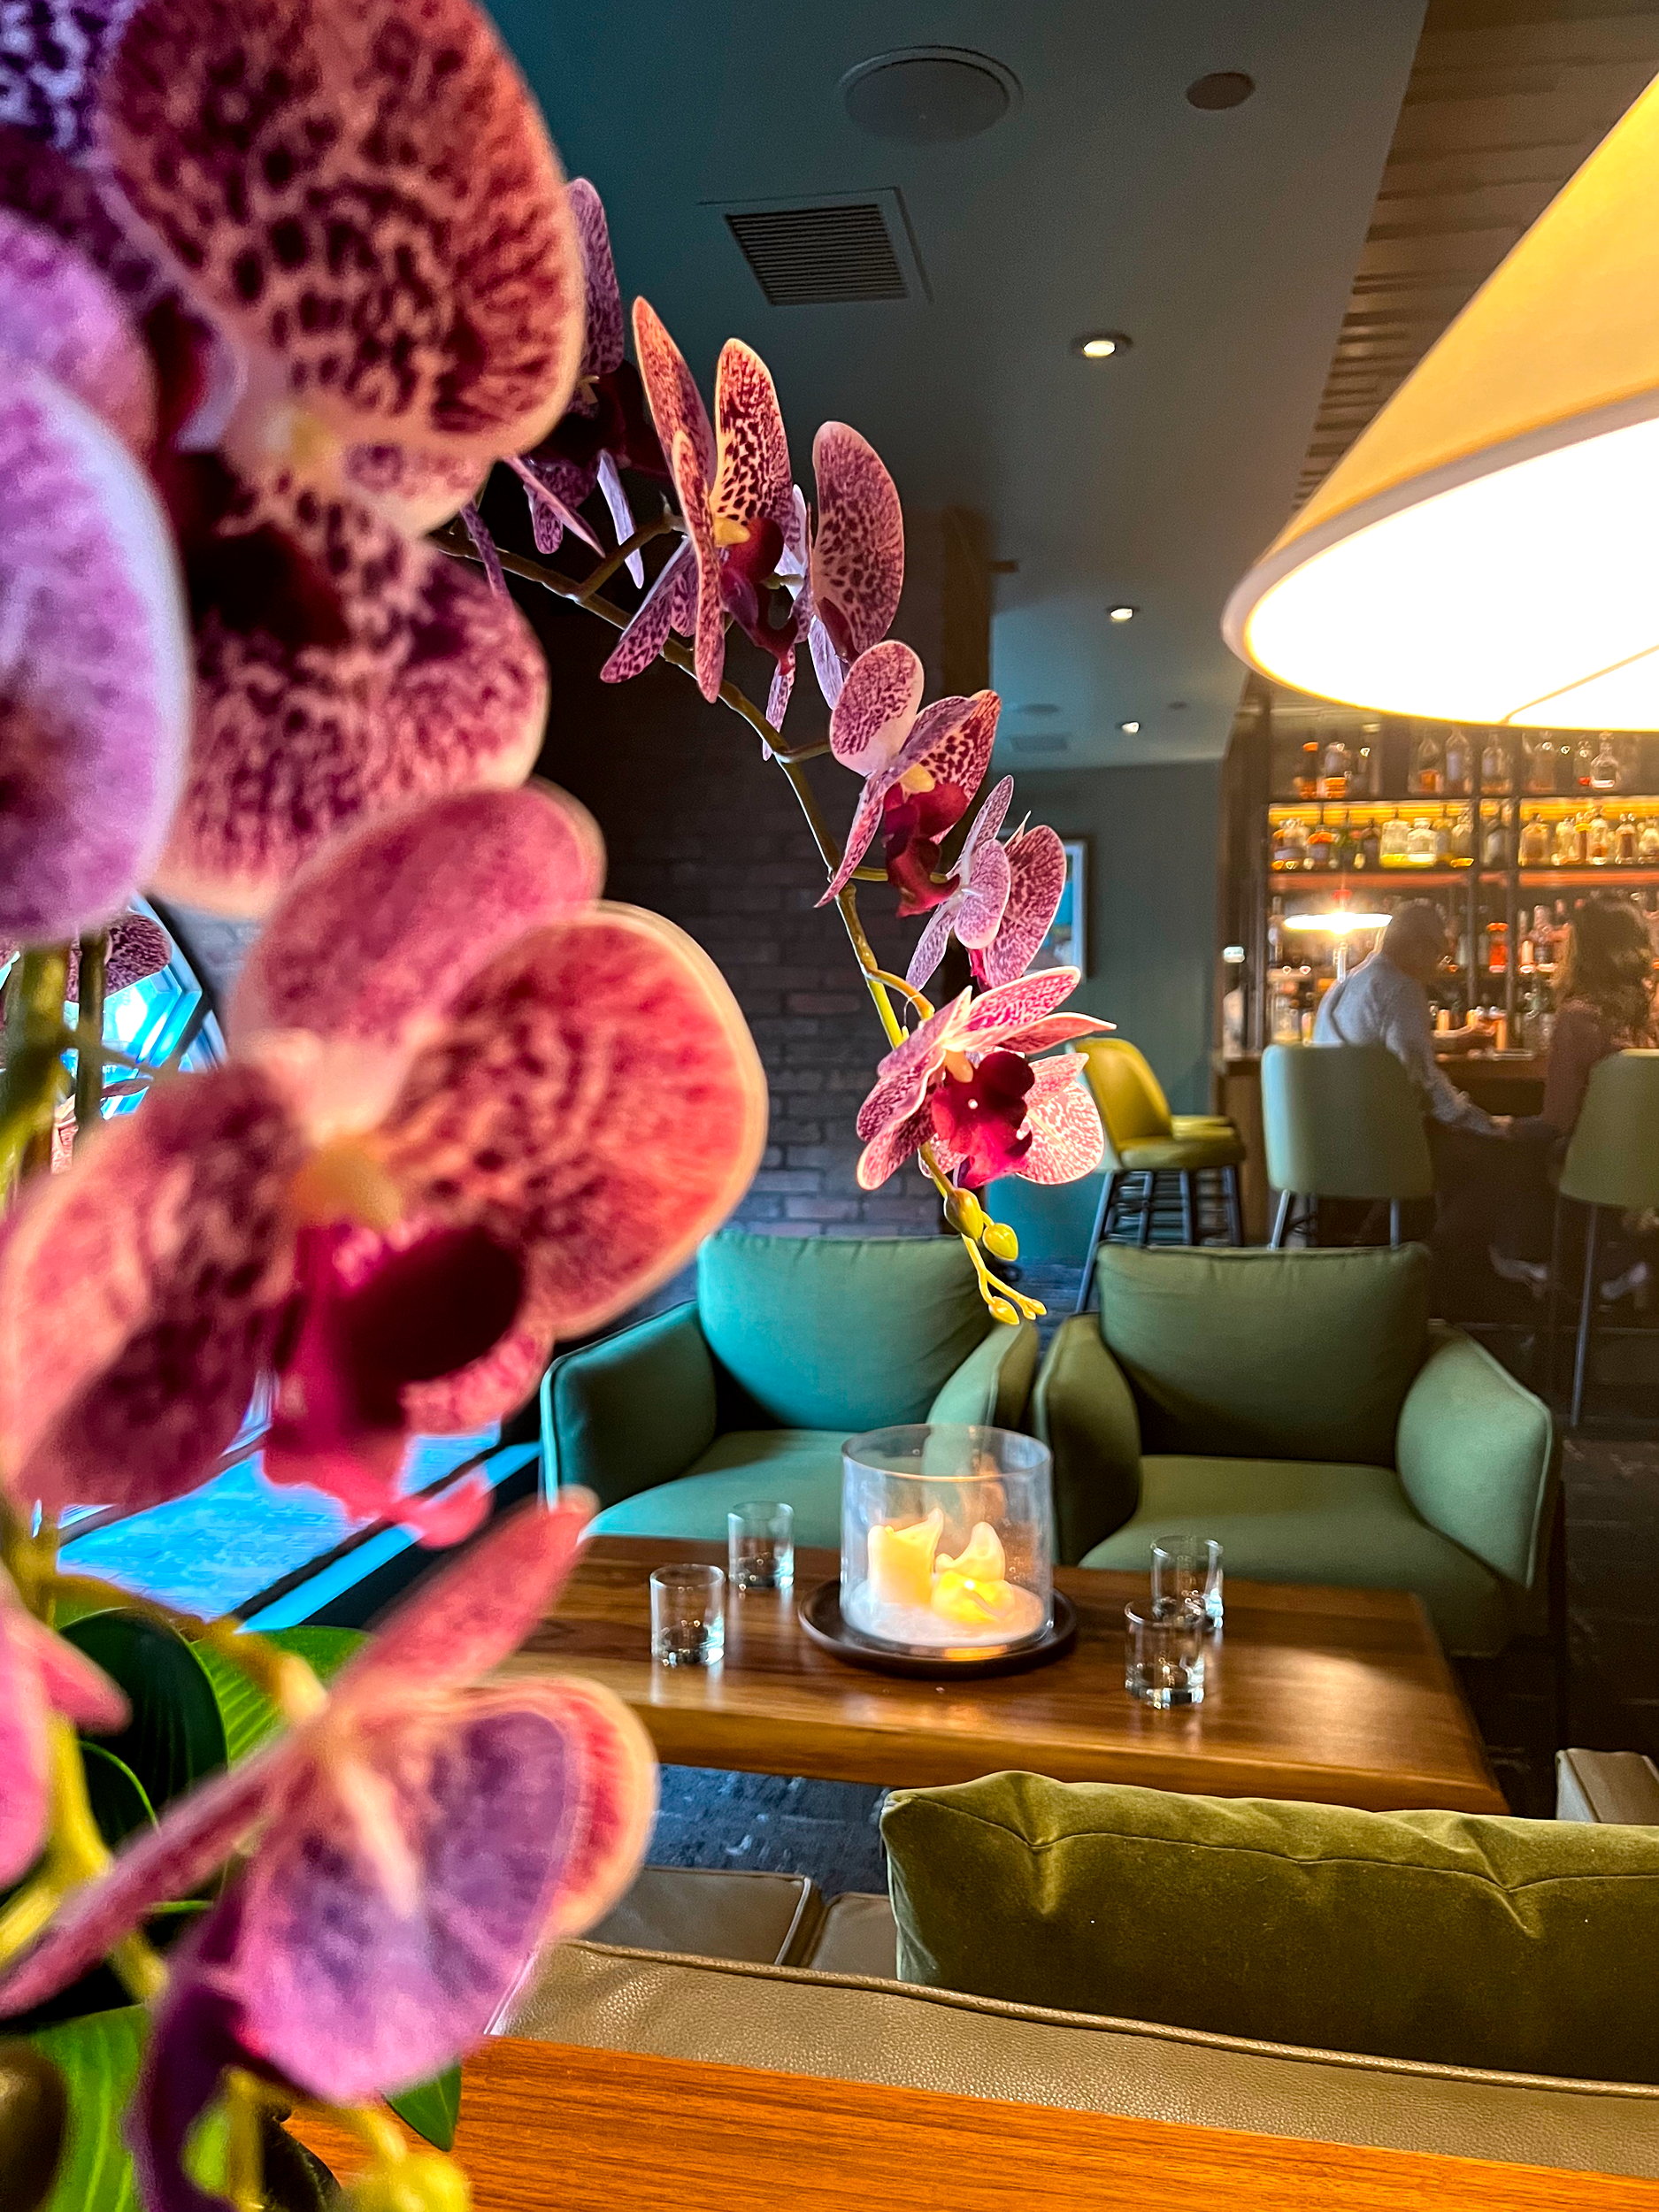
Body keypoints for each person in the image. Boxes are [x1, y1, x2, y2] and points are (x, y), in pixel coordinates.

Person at [1491, 895, 1658, 1299]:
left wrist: (1505, 1126)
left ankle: (1542, 1264)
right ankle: (1622, 1260)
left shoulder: (1580, 1017)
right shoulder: (1652, 1010)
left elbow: (1557, 1121)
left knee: (1505, 1150)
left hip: (1599, 1168)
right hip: (1652, 1165)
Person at [1313, 901, 1499, 1134]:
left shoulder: (1347, 984)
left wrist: (1451, 1040)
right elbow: (1424, 1081)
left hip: (1331, 1135)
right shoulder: (1402, 988)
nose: (1438, 967)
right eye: (1438, 955)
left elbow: (1380, 1044)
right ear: (1419, 948)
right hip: (1378, 1141)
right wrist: (1488, 1125)